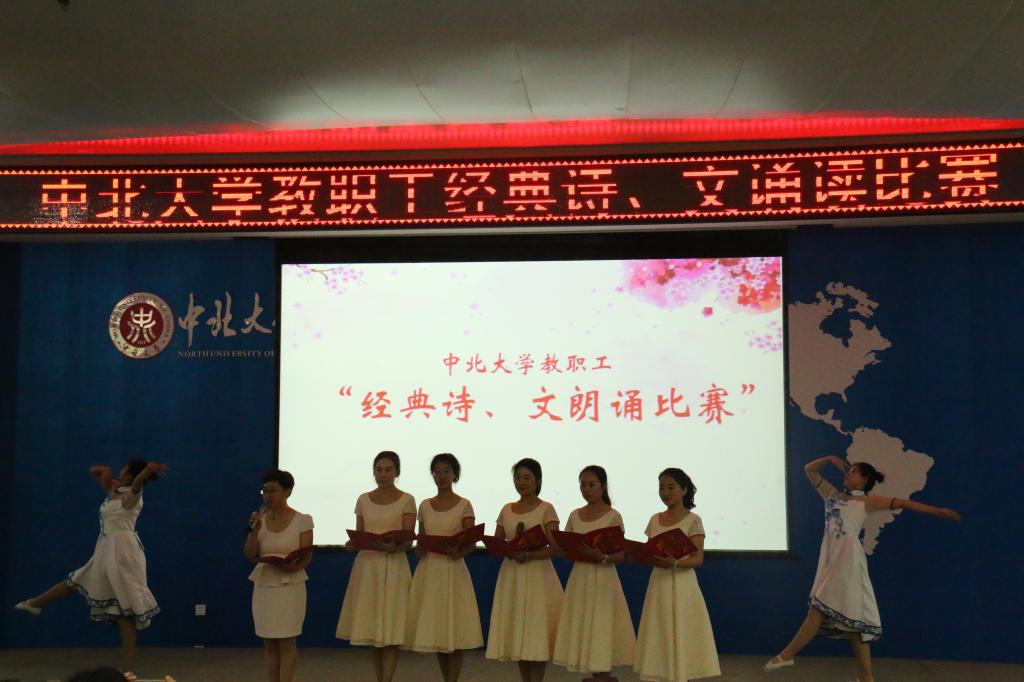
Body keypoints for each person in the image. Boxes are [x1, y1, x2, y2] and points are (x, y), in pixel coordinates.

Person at [765, 455, 962, 682]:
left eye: (853, 472)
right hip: (831, 558)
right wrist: (830, 459)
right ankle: (867, 677)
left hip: (847, 560)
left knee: (817, 610)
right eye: (848, 471)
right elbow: (809, 469)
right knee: (854, 623)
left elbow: (905, 503)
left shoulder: (867, 502)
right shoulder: (832, 495)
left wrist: (937, 511)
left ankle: (787, 655)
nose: (848, 474)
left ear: (864, 480)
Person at [15, 459, 167, 672]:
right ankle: (35, 603)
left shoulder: (133, 494)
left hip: (123, 552)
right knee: (78, 579)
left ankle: (128, 669)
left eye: (125, 468)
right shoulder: (115, 490)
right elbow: (95, 472)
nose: (122, 469)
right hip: (106, 548)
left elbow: (138, 483)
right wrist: (105, 473)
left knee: (124, 610)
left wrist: (148, 470)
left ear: (132, 474)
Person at [633, 468, 720, 682]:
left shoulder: (693, 520)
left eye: (670, 487)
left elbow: (697, 559)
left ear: (684, 489)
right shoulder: (655, 519)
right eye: (661, 487)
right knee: (659, 630)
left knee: (682, 630)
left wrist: (675, 562)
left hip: (682, 584)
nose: (665, 492)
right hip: (659, 582)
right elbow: (649, 551)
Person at [337, 451, 416, 682]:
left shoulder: (407, 499)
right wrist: (353, 544)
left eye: (388, 470)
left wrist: (394, 546)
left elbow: (408, 539)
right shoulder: (363, 499)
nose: (383, 474)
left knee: (391, 628)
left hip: (394, 566)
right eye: (379, 470)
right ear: (373, 472)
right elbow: (360, 535)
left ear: (397, 472)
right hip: (368, 566)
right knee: (373, 627)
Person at [405, 453, 484, 681]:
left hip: (453, 570)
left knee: (455, 628)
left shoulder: (464, 505)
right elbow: (421, 540)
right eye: (437, 472)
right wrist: (419, 549)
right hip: (430, 570)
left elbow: (471, 542)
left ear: (455, 475)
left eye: (446, 471)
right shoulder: (425, 505)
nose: (441, 476)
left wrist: (458, 552)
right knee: (438, 628)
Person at [552, 465, 635, 680]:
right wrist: (563, 550)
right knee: (584, 623)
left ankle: (604, 673)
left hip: (604, 577)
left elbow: (621, 554)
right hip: (580, 576)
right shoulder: (575, 515)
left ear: (603, 486)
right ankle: (594, 672)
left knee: (601, 625)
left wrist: (603, 557)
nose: (587, 489)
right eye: (583, 485)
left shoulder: (613, 516)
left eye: (591, 484)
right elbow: (566, 548)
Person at [486, 458, 564, 682]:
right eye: (517, 477)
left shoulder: (546, 509)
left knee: (535, 633)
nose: (521, 482)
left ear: (537, 481)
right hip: (513, 574)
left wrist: (530, 554)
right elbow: (498, 542)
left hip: (538, 576)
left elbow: (555, 547)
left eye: (527, 478)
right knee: (519, 633)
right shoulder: (507, 509)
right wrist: (507, 549)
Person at [244, 468, 314, 682]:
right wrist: (254, 530)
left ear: (288, 491)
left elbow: (306, 556)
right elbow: (250, 554)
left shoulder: (302, 520)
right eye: (264, 491)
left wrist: (290, 567)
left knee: (286, 642)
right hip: (265, 584)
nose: (268, 496)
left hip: (290, 585)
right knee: (269, 642)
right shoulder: (260, 519)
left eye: (273, 490)